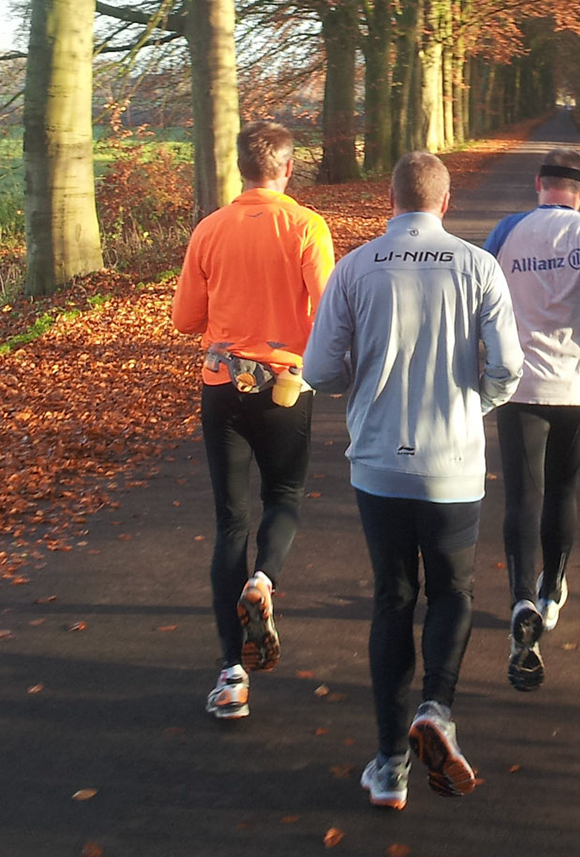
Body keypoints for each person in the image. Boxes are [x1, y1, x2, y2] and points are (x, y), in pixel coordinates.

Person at [301, 151, 522, 810]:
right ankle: (437, 708)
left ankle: (391, 765)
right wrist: (474, 405)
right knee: (452, 592)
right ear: (446, 202)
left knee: (393, 600)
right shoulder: (479, 266)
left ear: (389, 201)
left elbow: (318, 370)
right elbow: (508, 366)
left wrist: (358, 384)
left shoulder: (355, 266)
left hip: (378, 461)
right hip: (453, 463)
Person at [171, 120, 334, 721]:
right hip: (286, 386)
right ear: (289, 168)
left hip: (223, 386)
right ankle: (263, 581)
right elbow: (329, 310)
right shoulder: (306, 226)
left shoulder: (209, 230)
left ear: (240, 166)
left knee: (229, 523)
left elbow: (186, 319)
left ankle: (231, 677)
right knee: (285, 494)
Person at [484, 145, 580, 692]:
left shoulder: (507, 231)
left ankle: (520, 598)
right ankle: (551, 591)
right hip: (576, 383)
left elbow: (483, 294)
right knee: (562, 492)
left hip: (519, 385)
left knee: (523, 496)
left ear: (538, 184)